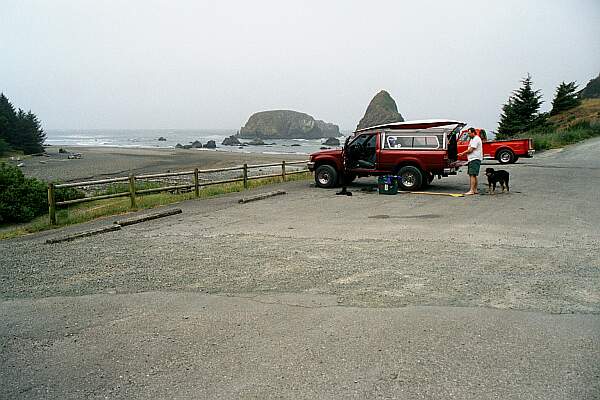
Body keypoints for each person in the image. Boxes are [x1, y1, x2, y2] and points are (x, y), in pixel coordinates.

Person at [458, 128, 483, 195]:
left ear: (473, 133)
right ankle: (475, 190)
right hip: (473, 159)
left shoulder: (476, 139)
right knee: (474, 175)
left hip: (474, 159)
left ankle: (471, 190)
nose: (468, 135)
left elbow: (471, 150)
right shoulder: (473, 139)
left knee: (472, 174)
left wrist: (462, 153)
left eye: (469, 133)